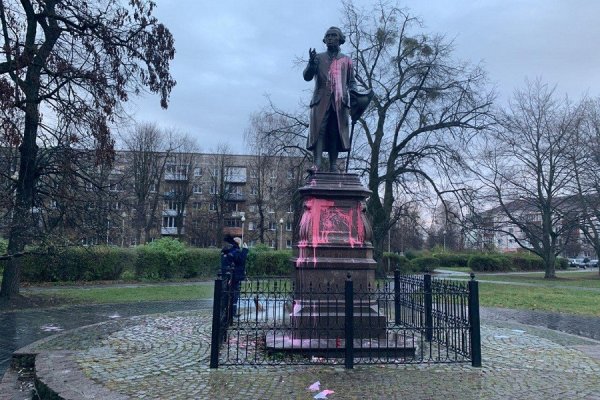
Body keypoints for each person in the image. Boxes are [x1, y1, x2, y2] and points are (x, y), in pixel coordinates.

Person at [304, 26, 356, 172]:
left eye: (333, 35)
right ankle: (317, 164)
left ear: (340, 39)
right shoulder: (318, 58)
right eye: (328, 36)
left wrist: (355, 95)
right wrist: (311, 64)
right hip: (320, 101)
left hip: (340, 102)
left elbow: (352, 82)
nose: (330, 38)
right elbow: (307, 76)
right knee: (319, 131)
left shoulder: (347, 60)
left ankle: (333, 165)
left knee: (335, 132)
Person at [222, 235, 248, 317]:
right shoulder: (235, 251)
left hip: (227, 275)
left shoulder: (227, 250)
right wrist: (245, 250)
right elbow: (241, 260)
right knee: (234, 294)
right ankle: (232, 313)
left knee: (227, 293)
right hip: (233, 276)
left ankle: (226, 312)